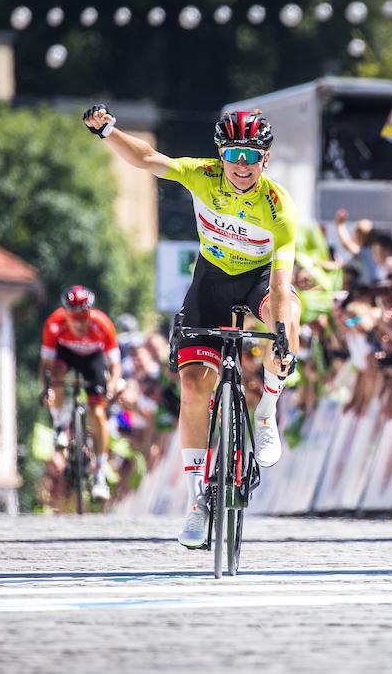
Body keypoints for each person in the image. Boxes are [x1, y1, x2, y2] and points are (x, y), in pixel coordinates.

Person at [82, 104, 299, 548]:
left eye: (251, 156)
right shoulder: (202, 174)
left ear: (266, 159)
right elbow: (147, 159)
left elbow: (280, 285)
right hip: (212, 281)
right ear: (221, 155)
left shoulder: (279, 207)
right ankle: (197, 501)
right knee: (195, 386)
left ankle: (267, 411)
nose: (242, 166)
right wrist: (109, 133)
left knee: (288, 316)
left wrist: (279, 338)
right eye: (234, 155)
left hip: (259, 280)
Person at [40, 285, 121, 502]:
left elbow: (115, 366)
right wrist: (46, 389)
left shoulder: (102, 324)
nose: (79, 321)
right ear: (65, 314)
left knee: (97, 411)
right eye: (73, 316)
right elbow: (45, 365)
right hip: (65, 356)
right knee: (55, 374)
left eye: (84, 315)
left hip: (93, 359)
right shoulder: (54, 325)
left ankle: (99, 474)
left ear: (90, 312)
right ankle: (59, 424)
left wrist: (112, 385)